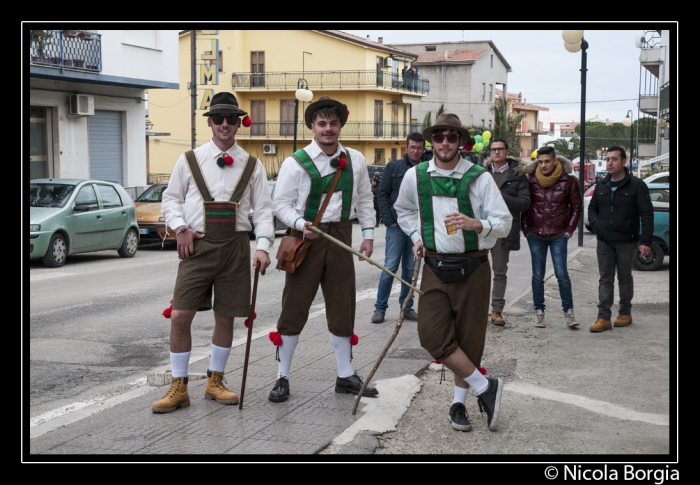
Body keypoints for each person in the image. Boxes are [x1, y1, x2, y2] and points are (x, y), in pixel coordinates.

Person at [153, 92, 274, 413]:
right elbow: (170, 199)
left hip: (235, 247)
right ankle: (178, 386)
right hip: (197, 245)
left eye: (230, 119)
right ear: (210, 122)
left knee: (226, 317)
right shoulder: (189, 159)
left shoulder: (252, 165)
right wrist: (180, 228)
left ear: (239, 123)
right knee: (180, 316)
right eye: (218, 118)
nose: (224, 124)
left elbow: (263, 212)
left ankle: (214, 381)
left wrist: (262, 247)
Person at [394, 113, 512, 432]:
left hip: (473, 266)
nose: (444, 142)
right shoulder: (416, 176)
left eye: (451, 136)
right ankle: (486, 387)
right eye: (439, 136)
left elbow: (504, 223)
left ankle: (458, 403)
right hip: (434, 265)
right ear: (431, 141)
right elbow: (403, 211)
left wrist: (478, 224)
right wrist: (417, 238)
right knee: (432, 336)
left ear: (461, 141)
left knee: (468, 340)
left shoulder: (479, 177)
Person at [268, 96, 377, 402]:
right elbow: (280, 205)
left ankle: (345, 376)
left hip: (341, 237)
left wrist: (367, 235)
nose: (328, 129)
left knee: (343, 304)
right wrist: (301, 223)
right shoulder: (295, 162)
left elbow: (365, 199)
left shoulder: (355, 159)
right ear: (312, 127)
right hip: (305, 240)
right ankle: (282, 377)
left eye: (333, 123)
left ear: (340, 125)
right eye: (322, 123)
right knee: (294, 306)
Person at [587, 146, 653, 332]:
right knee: (605, 279)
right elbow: (592, 209)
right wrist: (597, 225)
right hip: (604, 241)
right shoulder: (601, 184)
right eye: (608, 159)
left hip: (627, 240)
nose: (609, 163)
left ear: (624, 161)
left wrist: (645, 241)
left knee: (624, 277)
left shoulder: (637, 185)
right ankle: (603, 317)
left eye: (614, 159)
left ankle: (625, 313)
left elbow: (646, 215)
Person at [521, 146, 582, 328]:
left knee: (562, 273)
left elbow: (576, 207)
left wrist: (569, 230)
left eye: (547, 161)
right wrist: (526, 229)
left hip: (558, 234)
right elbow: (525, 206)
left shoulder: (569, 181)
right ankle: (539, 313)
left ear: (555, 161)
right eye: (540, 162)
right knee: (537, 275)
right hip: (536, 234)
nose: (544, 165)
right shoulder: (530, 181)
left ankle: (569, 313)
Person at [370, 132, 425, 324]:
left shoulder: (426, 169)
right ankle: (380, 308)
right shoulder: (394, 167)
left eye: (419, 148)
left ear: (423, 149)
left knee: (410, 270)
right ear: (406, 148)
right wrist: (389, 219)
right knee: (390, 267)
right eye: (412, 147)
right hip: (396, 226)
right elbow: (382, 195)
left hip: (417, 228)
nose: (415, 151)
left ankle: (407, 306)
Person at [483, 138, 531, 326]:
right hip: (481, 228)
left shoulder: (517, 176)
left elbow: (525, 203)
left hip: (502, 230)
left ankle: (496, 311)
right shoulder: (481, 174)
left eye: (500, 149)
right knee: (477, 272)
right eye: (493, 149)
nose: (496, 152)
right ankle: (477, 310)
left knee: (499, 272)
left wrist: (503, 197)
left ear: (506, 151)